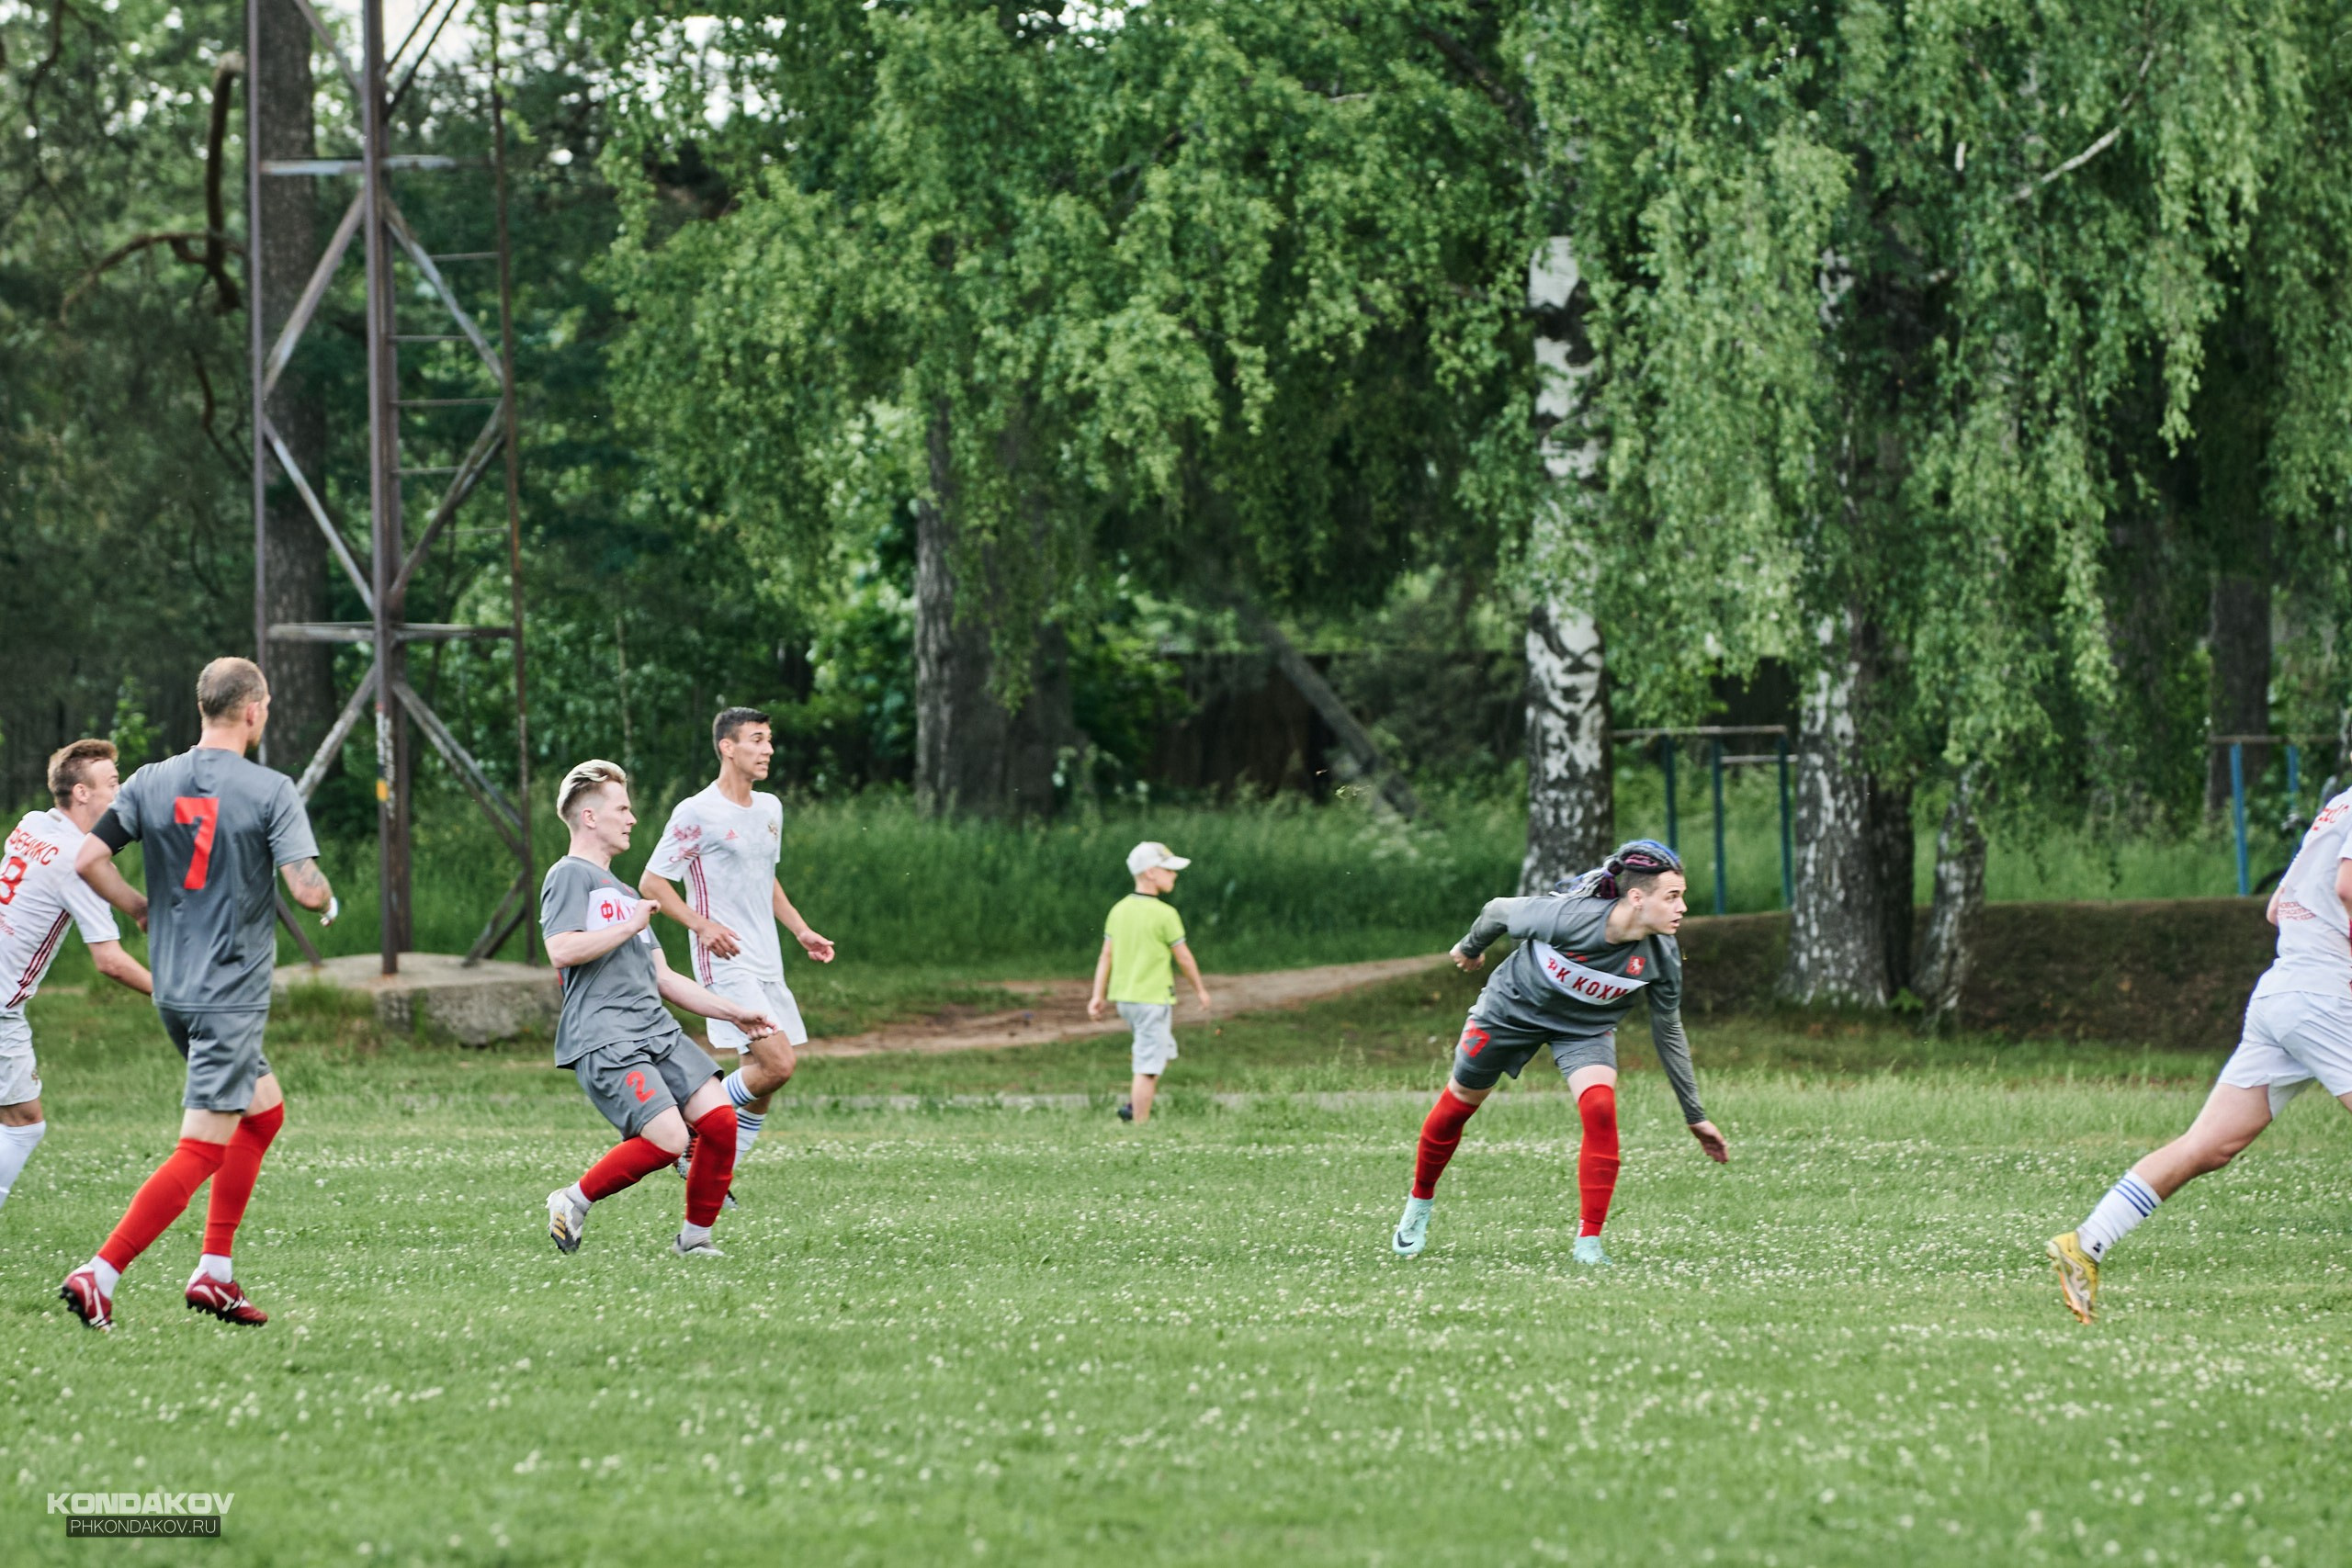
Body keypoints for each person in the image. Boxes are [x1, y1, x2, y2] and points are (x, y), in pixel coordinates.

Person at [61, 658, 337, 1331]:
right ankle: (100, 1273)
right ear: (254, 710)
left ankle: (214, 1273)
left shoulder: (153, 779)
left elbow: (88, 858)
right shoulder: (270, 788)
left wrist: (140, 909)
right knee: (202, 1147)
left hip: (175, 991)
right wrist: (325, 898)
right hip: (228, 996)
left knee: (263, 1114)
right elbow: (304, 885)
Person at [2049, 784, 2352, 1322]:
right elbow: (2348, 887)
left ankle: (2086, 1242)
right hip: (2323, 996)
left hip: (2282, 993)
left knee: (2208, 1147)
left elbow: (2277, 908)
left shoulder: (2336, 808)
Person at [1393, 840, 1728, 1265]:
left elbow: (1669, 1031)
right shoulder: (1572, 918)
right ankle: (1419, 1204)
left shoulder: (1662, 957)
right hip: (1510, 1010)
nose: (1682, 908)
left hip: (1584, 1029)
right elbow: (1497, 911)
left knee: (1601, 1108)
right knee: (1459, 1104)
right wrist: (1470, 948)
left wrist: (1695, 1115)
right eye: (1672, 897)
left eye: (1682, 897)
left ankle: (1588, 1244)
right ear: (1637, 898)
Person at [540, 759, 776, 1259]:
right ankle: (572, 1200)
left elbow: (664, 978)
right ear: (588, 817)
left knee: (719, 1121)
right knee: (670, 1139)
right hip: (606, 1034)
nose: (631, 818)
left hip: (656, 1029)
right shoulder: (568, 876)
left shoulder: (627, 894)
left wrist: (734, 1012)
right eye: (622, 809)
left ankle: (694, 1240)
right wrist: (627, 926)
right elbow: (561, 949)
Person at [639, 708, 834, 1191]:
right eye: (757, 740)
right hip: (724, 960)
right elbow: (652, 881)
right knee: (779, 1064)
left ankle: (709, 1176)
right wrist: (701, 926)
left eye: (769, 741)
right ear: (728, 747)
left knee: (760, 1082)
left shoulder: (770, 808)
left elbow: (765, 880)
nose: (768, 750)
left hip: (767, 958)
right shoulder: (696, 812)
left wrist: (801, 930)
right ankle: (691, 1127)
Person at [0, 740, 156, 1214]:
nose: (122, 791)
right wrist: (173, 994)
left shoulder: (30, 825)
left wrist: (140, 908)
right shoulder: (75, 862)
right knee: (26, 1124)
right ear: (83, 794)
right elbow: (109, 961)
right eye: (113, 784)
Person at [1086, 841, 1212, 1125]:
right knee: (1148, 1066)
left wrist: (1098, 995)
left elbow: (1106, 955)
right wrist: (1200, 990)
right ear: (1151, 873)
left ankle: (1134, 1104)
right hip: (1152, 999)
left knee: (1157, 1053)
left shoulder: (1118, 910)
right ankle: (1138, 1124)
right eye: (1169, 870)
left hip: (1126, 1000)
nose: (1174, 876)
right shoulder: (1165, 914)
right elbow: (1184, 957)